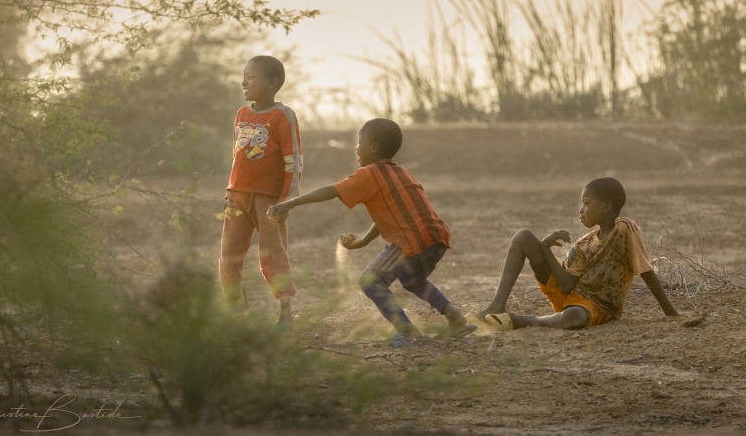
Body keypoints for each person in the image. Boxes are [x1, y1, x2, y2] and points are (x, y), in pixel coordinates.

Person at [267, 118, 476, 344]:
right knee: (412, 280)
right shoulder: (402, 172)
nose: (356, 148)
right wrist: (363, 242)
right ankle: (454, 317)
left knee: (371, 281)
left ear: (374, 147)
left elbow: (331, 191)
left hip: (412, 242)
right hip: (436, 238)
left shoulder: (368, 174)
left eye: (359, 142)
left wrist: (289, 203)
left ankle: (408, 333)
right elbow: (388, 216)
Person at [474, 177, 678, 330]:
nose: (581, 210)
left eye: (587, 204)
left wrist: (671, 312)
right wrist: (545, 249)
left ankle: (518, 320)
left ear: (607, 206)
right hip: (570, 295)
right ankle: (497, 305)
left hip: (596, 307)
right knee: (523, 236)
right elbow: (567, 284)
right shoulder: (584, 243)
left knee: (572, 317)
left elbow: (646, 271)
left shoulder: (624, 229)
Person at [219, 55, 302, 328]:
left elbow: (294, 161)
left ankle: (286, 313)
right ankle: (236, 313)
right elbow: (238, 157)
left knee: (272, 255)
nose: (244, 81)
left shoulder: (283, 116)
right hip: (236, 195)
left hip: (268, 200)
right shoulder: (241, 114)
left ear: (272, 83)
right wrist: (229, 191)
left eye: (251, 77)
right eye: (244, 76)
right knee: (229, 255)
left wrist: (287, 200)